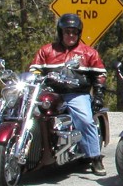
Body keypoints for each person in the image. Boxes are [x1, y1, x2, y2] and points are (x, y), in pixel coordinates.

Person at [29, 13, 108, 175]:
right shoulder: (46, 51)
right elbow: (34, 70)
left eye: (74, 32)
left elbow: (100, 75)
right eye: (67, 32)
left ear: (79, 33)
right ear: (60, 32)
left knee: (85, 120)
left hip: (76, 94)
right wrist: (35, 78)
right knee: (30, 113)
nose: (70, 35)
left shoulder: (88, 53)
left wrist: (98, 95)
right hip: (51, 93)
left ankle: (95, 157)